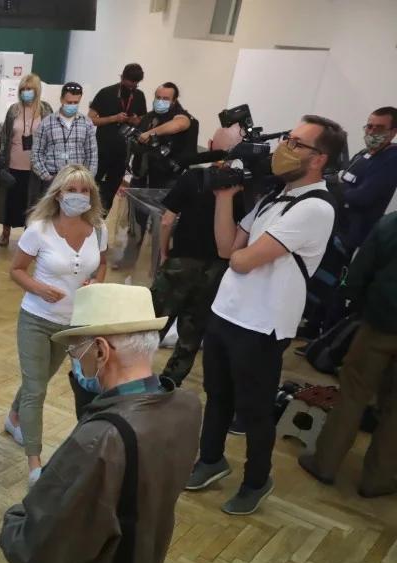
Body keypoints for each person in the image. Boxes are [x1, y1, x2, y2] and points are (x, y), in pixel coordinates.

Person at [0, 283, 200, 563]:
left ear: (102, 350)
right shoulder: (186, 407)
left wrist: (15, 517)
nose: (75, 360)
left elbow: (32, 547)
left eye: (77, 348)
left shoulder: (99, 441)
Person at [186, 115, 346, 515]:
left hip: (263, 323)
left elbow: (242, 261)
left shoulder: (316, 207)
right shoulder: (273, 197)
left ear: (319, 158)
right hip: (227, 311)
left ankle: (257, 479)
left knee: (254, 410)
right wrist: (225, 197)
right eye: (286, 139)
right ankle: (211, 459)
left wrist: (241, 254)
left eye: (296, 142)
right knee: (218, 394)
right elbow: (227, 249)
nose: (283, 148)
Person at [5, 164, 108, 485]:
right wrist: (39, 288)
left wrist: (95, 282)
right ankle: (35, 465)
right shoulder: (39, 228)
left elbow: (102, 264)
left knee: (39, 378)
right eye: (71, 190)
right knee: (36, 389)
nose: (78, 196)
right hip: (35, 319)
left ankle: (13, 417)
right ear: (58, 193)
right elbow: (17, 269)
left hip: (72, 325)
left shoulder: (99, 229)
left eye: (84, 191)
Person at [299, 211, 397, 498]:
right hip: (380, 320)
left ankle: (325, 463)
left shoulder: (391, 223)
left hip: (379, 324)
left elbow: (358, 273)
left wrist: (358, 307)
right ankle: (378, 479)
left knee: (353, 393)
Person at [149, 126, 246, 386]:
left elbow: (168, 220)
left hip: (181, 262)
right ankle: (170, 381)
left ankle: (136, 373)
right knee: (193, 331)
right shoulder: (242, 186)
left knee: (152, 321)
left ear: (211, 143)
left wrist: (164, 253)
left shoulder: (194, 178)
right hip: (216, 269)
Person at [0, 72, 54, 247]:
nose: (26, 92)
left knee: (33, 202)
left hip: (36, 167)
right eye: (23, 89)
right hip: (12, 164)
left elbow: (50, 137)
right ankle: (5, 232)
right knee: (10, 201)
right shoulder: (14, 110)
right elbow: (4, 136)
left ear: (37, 90)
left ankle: (30, 236)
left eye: (30, 89)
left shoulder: (46, 110)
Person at [88, 63, 148, 211]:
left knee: (111, 189)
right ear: (122, 78)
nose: (131, 89)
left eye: (135, 86)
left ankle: (103, 217)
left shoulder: (139, 96)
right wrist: (113, 118)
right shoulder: (106, 93)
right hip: (102, 150)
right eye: (128, 85)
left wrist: (136, 121)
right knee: (92, 185)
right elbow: (90, 120)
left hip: (124, 152)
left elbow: (143, 120)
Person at [339, 107, 397, 252]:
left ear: (393, 132)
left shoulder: (391, 159)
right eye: (369, 127)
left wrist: (336, 186)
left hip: (352, 238)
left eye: (380, 128)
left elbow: (363, 197)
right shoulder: (362, 154)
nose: (372, 132)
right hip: (336, 225)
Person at [31, 82, 98, 187]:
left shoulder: (87, 123)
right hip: (52, 179)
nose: (72, 105)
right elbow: (36, 153)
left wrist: (88, 178)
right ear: (61, 99)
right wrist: (46, 177)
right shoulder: (46, 123)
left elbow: (92, 155)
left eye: (75, 102)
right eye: (69, 102)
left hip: (78, 180)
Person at [129, 83, 195, 190]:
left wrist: (150, 133)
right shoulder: (149, 116)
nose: (160, 101)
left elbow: (180, 124)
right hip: (141, 175)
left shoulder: (181, 115)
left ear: (174, 101)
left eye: (165, 99)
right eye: (158, 97)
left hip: (165, 179)